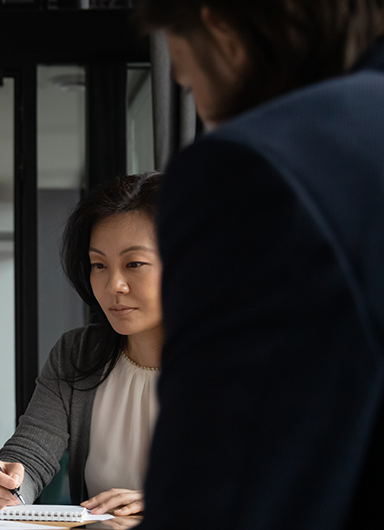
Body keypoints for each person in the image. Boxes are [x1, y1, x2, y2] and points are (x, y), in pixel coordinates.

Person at [133, 2, 384, 529]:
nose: (203, 110)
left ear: (219, 23)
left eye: (190, 81)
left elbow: (222, 500)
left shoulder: (259, 168)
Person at [0, 172, 162, 517]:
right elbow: (31, 454)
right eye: (98, 265)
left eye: (134, 264)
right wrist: (4, 485)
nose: (113, 284)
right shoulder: (77, 353)